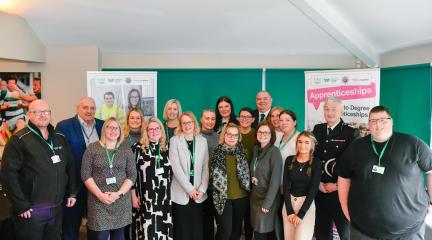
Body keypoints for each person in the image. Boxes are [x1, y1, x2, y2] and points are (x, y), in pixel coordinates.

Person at [338, 106, 432, 240]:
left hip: (409, 231)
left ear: (391, 121)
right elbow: (343, 176)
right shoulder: (356, 147)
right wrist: (344, 205)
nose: (378, 125)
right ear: (368, 124)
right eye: (373, 121)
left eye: (383, 120)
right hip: (363, 230)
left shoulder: (412, 143)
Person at [1, 99, 78, 240]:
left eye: (46, 111)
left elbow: (70, 167)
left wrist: (72, 192)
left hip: (56, 207)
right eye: (37, 112)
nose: (43, 115)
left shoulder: (60, 138)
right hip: (31, 211)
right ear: (29, 115)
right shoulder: (19, 140)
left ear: (50, 114)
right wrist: (21, 205)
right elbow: (8, 175)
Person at [56, 97, 104, 240]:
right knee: (70, 227)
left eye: (92, 108)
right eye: (85, 107)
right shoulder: (64, 126)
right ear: (77, 108)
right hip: (74, 185)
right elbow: (60, 156)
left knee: (97, 227)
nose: (89, 111)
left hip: (98, 186)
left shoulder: (103, 125)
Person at [81, 117, 136, 240]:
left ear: (120, 131)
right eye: (110, 127)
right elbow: (85, 174)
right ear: (104, 129)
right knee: (100, 236)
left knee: (119, 237)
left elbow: (132, 175)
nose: (113, 130)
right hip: (98, 202)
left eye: (116, 128)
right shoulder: (92, 148)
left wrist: (118, 194)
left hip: (120, 201)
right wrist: (100, 195)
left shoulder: (125, 148)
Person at [312, 97, 358, 240]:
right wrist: (318, 183)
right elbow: (314, 158)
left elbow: (353, 164)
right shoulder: (317, 129)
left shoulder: (351, 132)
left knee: (345, 234)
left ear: (341, 111)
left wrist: (337, 186)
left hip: (340, 192)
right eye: (326, 109)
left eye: (333, 109)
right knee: (322, 233)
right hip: (320, 190)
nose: (329, 113)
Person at [131, 117, 173, 240]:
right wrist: (133, 196)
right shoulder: (138, 148)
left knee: (163, 229)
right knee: (147, 230)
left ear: (161, 130)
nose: (154, 132)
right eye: (150, 129)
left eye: (157, 128)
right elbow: (131, 175)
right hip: (146, 198)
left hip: (164, 198)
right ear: (146, 131)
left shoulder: (167, 148)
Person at [169, 112, 209, 240]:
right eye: (184, 123)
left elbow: (205, 166)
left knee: (196, 229)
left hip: (198, 194)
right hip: (181, 193)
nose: (187, 125)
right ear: (180, 125)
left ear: (194, 123)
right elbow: (176, 168)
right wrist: (190, 189)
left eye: (189, 122)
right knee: (182, 230)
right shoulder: (174, 141)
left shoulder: (203, 141)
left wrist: (202, 189)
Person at [212, 123, 250, 240]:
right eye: (229, 134)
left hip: (241, 197)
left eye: (235, 135)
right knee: (225, 231)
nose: (232, 137)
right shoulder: (216, 153)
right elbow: (210, 175)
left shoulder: (245, 152)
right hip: (222, 198)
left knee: (236, 231)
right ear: (224, 135)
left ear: (239, 137)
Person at [282, 131, 321, 240]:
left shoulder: (317, 163)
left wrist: (301, 214)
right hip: (289, 204)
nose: (302, 145)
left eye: (307, 142)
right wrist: (289, 211)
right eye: (300, 142)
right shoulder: (289, 160)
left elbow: (313, 190)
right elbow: (286, 186)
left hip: (306, 206)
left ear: (312, 145)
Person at [250, 121, 283, 240]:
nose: (262, 134)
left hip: (267, 198)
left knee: (261, 230)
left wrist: (267, 203)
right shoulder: (255, 150)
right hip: (255, 197)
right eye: (260, 132)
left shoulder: (274, 152)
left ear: (271, 135)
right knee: (257, 229)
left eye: (266, 132)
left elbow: (275, 180)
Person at [123, 107, 144, 239]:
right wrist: (131, 190)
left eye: (138, 118)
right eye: (132, 117)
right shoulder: (122, 138)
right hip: (126, 185)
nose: (135, 120)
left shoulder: (146, 136)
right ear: (127, 120)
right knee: (128, 221)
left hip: (144, 184)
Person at [237, 107, 255, 240]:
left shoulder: (256, 135)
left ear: (253, 119)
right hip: (234, 182)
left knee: (249, 217)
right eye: (242, 116)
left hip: (251, 182)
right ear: (238, 118)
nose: (244, 119)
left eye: (248, 117)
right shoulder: (232, 132)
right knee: (235, 219)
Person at [200, 109, 218, 240]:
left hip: (215, 186)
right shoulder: (196, 137)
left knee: (211, 221)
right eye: (207, 118)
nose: (210, 121)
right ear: (201, 119)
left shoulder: (219, 137)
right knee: (202, 221)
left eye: (213, 119)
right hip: (199, 186)